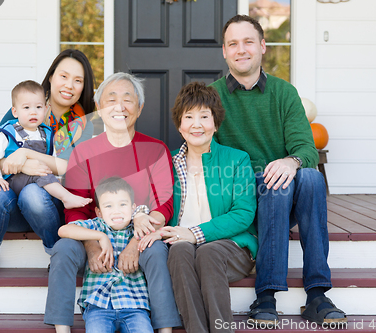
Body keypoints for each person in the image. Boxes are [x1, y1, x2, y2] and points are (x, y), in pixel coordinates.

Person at [209, 15, 347, 326]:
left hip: (285, 194)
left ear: (262, 46)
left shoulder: (284, 93)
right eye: (233, 43)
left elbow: (307, 150)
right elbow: (208, 155)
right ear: (224, 51)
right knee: (275, 183)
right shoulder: (212, 96)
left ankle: (317, 295)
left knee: (309, 176)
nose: (241, 49)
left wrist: (291, 161)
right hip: (240, 198)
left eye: (248, 42)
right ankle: (267, 293)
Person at [45, 72, 181, 333]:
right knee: (62, 249)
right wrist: (92, 245)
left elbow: (164, 207)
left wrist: (135, 243)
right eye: (111, 99)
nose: (120, 107)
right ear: (99, 108)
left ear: (139, 108)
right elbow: (76, 211)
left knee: (156, 252)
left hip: (141, 237)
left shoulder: (156, 150)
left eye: (128, 99)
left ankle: (164, 329)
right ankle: (61, 329)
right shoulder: (83, 152)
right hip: (97, 235)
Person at [138, 81, 257, 333]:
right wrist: (144, 217)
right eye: (189, 117)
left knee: (207, 252)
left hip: (230, 248)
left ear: (215, 123)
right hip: (181, 246)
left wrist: (194, 233)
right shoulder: (167, 162)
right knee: (180, 251)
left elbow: (243, 213)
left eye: (204, 116)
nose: (196, 124)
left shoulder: (237, 160)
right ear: (180, 126)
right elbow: (150, 202)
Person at [0, 49, 96, 275]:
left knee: (32, 195)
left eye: (78, 81)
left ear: (83, 88)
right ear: (51, 77)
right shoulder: (24, 108)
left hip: (49, 207)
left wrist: (27, 155)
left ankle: (58, 253)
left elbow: (72, 170)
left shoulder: (83, 124)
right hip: (12, 207)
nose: (69, 85)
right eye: (63, 76)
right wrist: (11, 162)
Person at [58, 177, 153, 333]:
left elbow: (156, 226)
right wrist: (100, 236)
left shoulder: (138, 229)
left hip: (135, 305)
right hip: (98, 306)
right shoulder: (96, 225)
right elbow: (63, 230)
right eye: (109, 206)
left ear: (132, 208)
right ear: (99, 212)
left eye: (123, 204)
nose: (116, 211)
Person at [0, 80, 92, 209]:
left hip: (37, 184)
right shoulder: (8, 132)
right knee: (42, 177)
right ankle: (67, 198)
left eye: (38, 107)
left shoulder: (46, 134)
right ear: (15, 112)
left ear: (46, 109)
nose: (33, 112)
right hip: (13, 180)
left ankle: (64, 197)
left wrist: (55, 177)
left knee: (44, 174)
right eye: (26, 108)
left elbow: (52, 159)